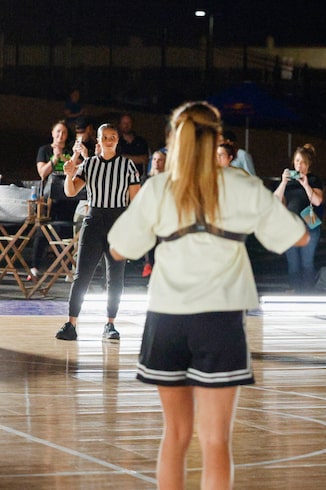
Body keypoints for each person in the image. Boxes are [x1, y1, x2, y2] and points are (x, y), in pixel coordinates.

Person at [108, 101, 309, 489]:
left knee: (176, 436)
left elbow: (118, 248)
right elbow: (296, 237)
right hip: (220, 320)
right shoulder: (241, 185)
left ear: (175, 138)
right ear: (218, 139)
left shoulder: (159, 187)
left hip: (166, 317)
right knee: (215, 441)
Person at [55, 123, 142, 341]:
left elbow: (136, 201)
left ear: (117, 140)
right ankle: (71, 323)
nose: (110, 140)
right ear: (99, 141)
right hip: (93, 221)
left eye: (113, 136)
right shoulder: (90, 164)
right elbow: (71, 190)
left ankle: (110, 324)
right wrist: (68, 174)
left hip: (118, 222)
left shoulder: (128, 166)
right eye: (105, 137)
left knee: (115, 277)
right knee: (82, 274)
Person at [274, 144, 325, 291]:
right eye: (297, 161)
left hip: (309, 221)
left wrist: (306, 184)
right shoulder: (287, 182)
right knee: (293, 263)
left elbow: (317, 201)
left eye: (303, 162)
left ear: (308, 164)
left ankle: (308, 293)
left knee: (307, 262)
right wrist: (283, 182)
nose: (299, 165)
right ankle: (295, 291)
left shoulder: (314, 179)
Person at [29, 120, 76, 281]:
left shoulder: (71, 151)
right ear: (52, 133)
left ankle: (68, 267)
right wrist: (55, 159)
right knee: (42, 231)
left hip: (69, 198)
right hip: (49, 199)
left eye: (63, 132)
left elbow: (78, 171)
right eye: (58, 132)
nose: (60, 135)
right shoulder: (45, 150)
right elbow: (42, 173)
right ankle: (34, 267)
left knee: (69, 232)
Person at [141, 150, 167, 277]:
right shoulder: (146, 179)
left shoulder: (168, 180)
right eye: (154, 159)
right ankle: (149, 265)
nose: (156, 162)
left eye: (160, 160)